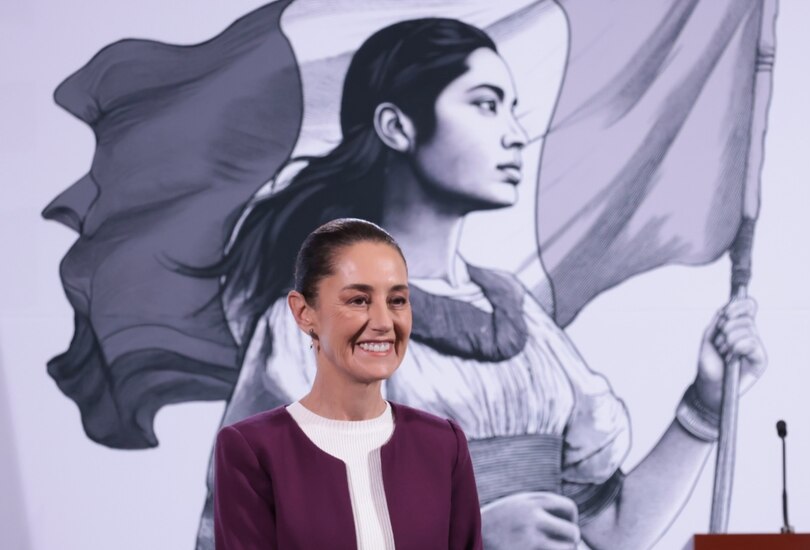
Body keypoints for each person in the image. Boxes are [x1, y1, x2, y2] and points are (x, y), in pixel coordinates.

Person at [201, 17, 766, 550]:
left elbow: (612, 529)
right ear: (397, 127)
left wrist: (705, 406)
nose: (516, 135)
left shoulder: (522, 321)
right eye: (486, 105)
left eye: (512, 110)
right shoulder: (321, 328)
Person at [214, 218, 482, 550]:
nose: (384, 322)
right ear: (303, 312)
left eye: (397, 300)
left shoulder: (444, 444)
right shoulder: (251, 450)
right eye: (358, 300)